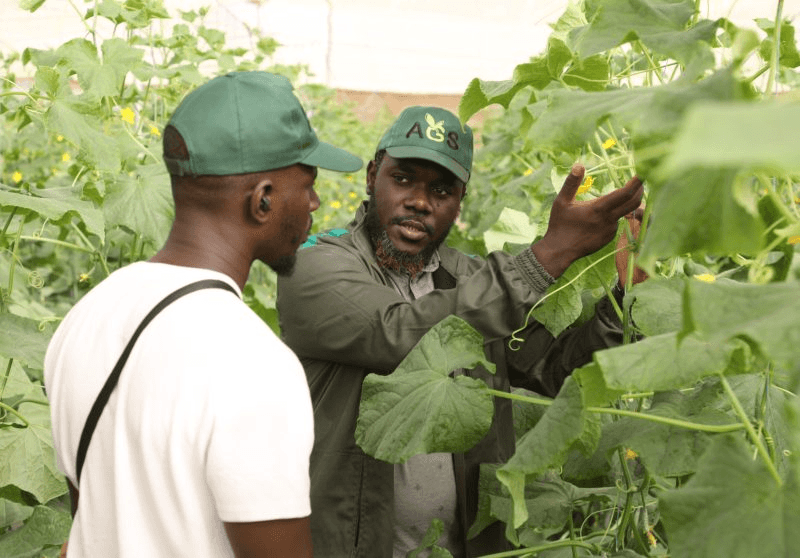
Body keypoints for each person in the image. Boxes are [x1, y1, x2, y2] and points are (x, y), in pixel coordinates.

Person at [275, 106, 645, 558]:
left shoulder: (469, 280)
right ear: (373, 175)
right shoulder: (314, 264)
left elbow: (555, 370)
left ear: (460, 200)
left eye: (441, 189)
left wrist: (626, 298)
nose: (419, 201)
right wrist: (548, 256)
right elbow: (397, 331)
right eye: (404, 178)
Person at [44, 71, 362, 558]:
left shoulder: (88, 316)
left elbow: (92, 517)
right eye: (309, 184)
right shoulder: (254, 364)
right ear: (263, 200)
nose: (316, 202)